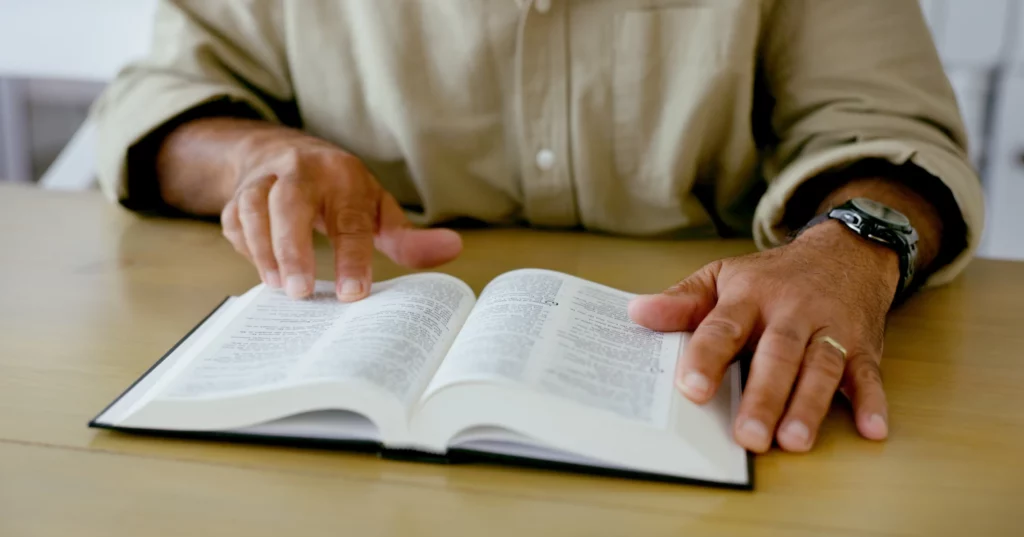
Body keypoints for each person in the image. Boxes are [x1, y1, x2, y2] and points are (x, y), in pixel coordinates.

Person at [92, 0, 984, 455]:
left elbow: (891, 131)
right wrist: (251, 154)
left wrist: (849, 245)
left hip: (716, 371)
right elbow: (154, 101)